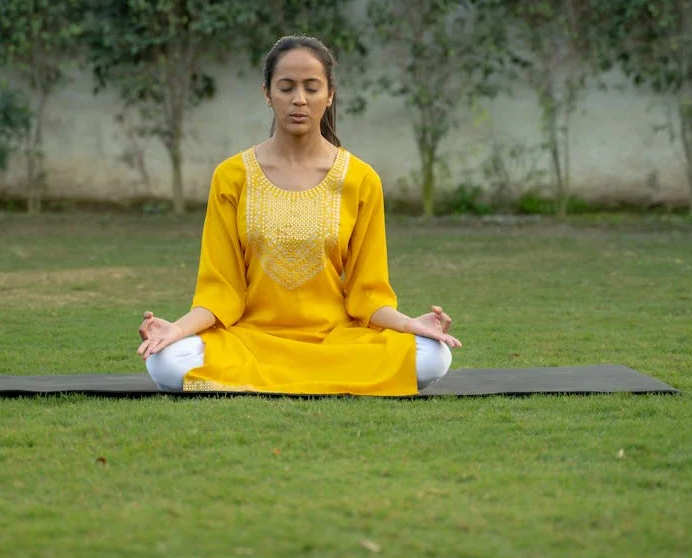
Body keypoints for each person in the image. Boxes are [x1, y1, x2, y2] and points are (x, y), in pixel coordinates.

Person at [136, 35, 460, 395]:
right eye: (286, 87)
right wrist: (176, 330)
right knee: (165, 362)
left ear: (330, 95)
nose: (299, 99)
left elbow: (369, 294)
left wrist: (411, 325)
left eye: (311, 87)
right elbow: (220, 291)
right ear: (267, 93)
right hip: (250, 341)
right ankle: (315, 379)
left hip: (335, 342)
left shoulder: (360, 179)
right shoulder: (232, 176)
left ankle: (274, 378)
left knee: (434, 355)